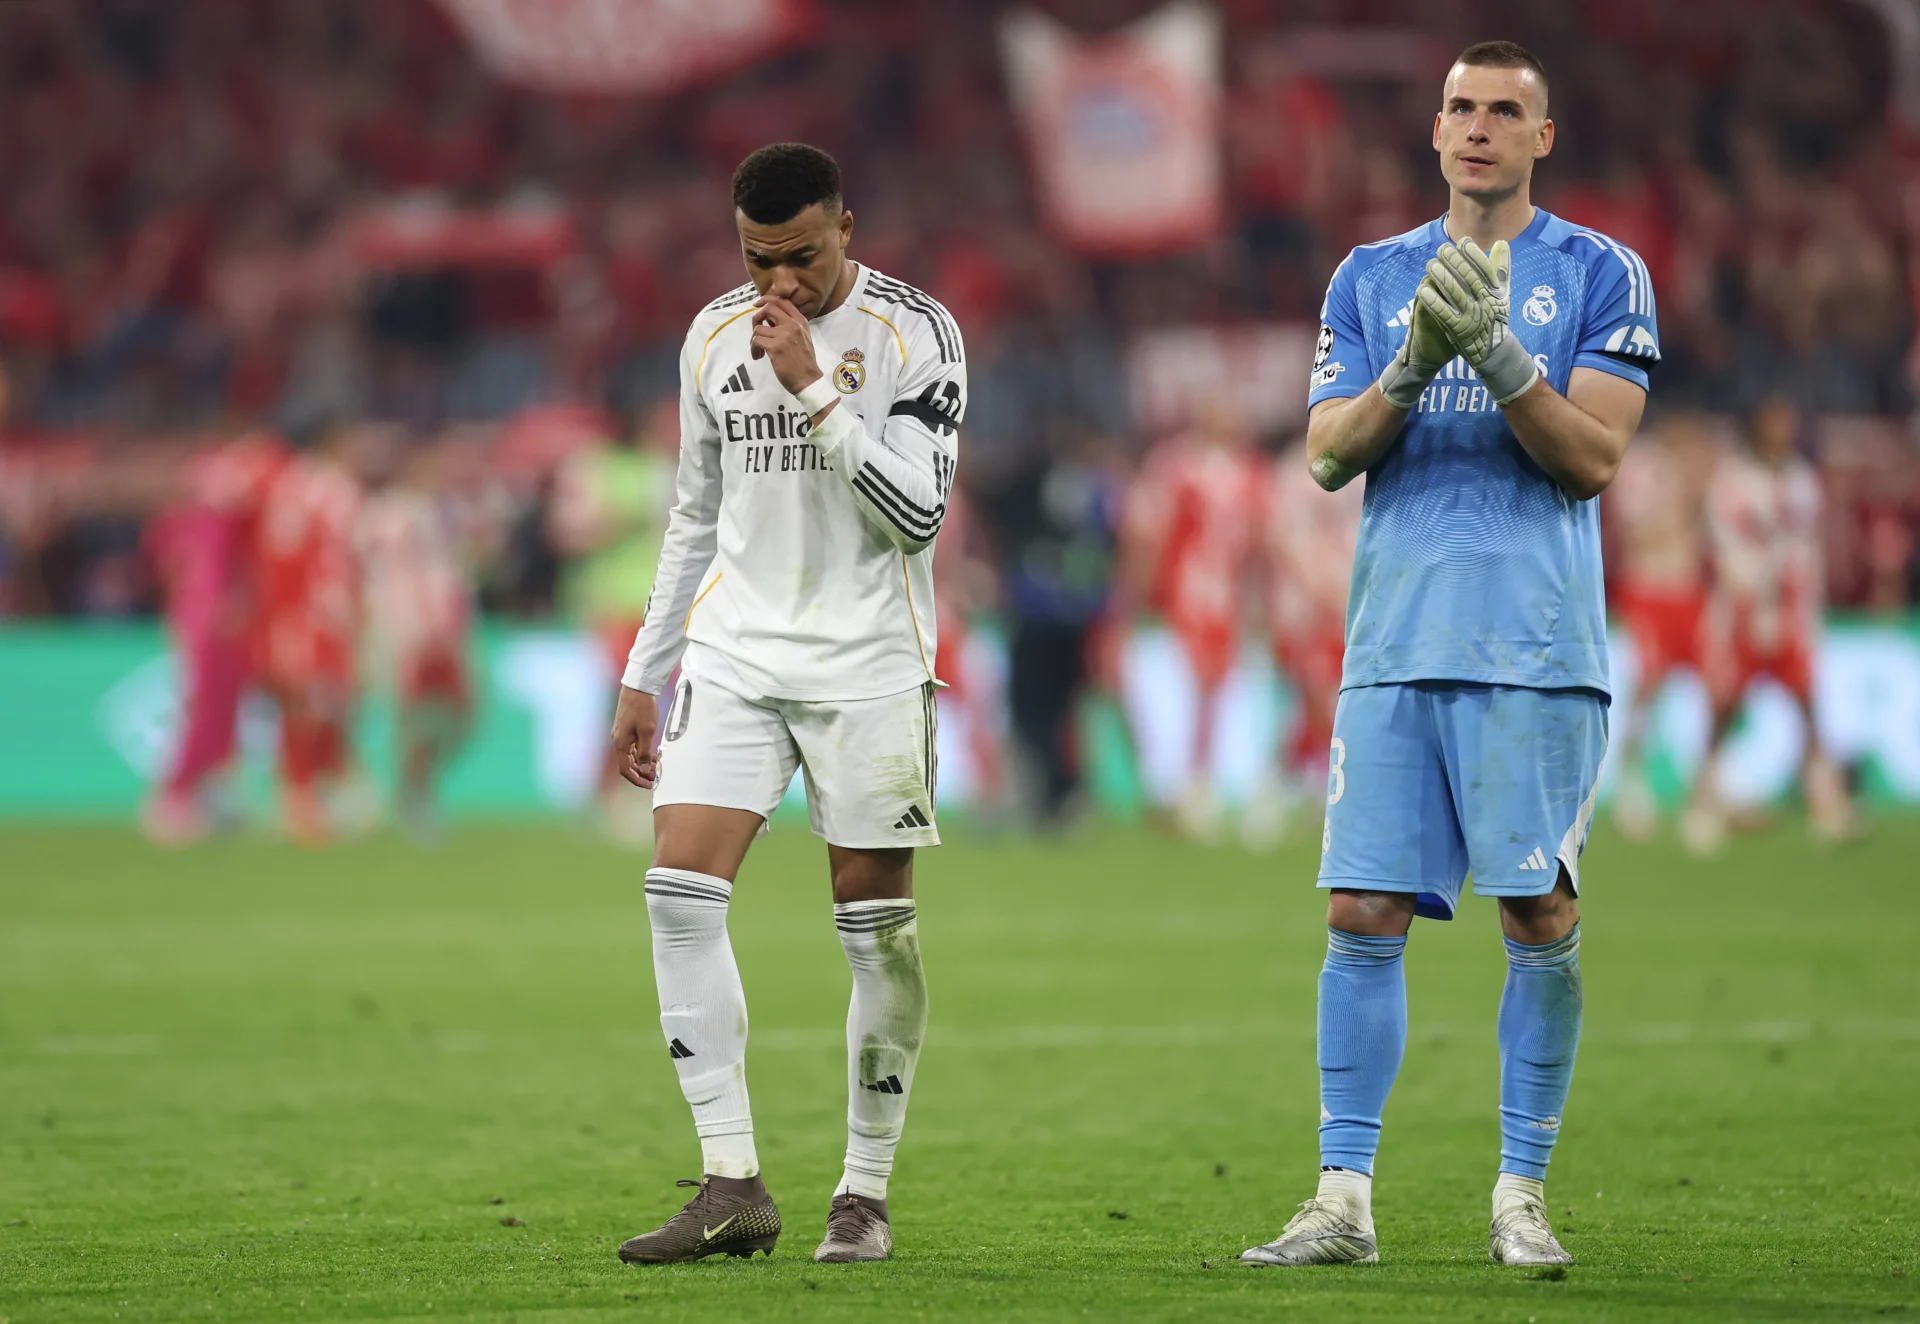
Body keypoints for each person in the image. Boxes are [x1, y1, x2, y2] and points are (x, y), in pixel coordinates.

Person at [1241, 42, 1658, 1269]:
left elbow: (1590, 459)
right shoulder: (1371, 277)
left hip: (1533, 644)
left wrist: (1504, 360)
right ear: (1435, 132)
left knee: (1534, 908)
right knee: (1361, 906)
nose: (1479, 128)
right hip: (1392, 643)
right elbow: (1327, 452)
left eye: (1505, 112)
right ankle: (1342, 1199)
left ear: (1544, 135)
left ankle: (1520, 1196)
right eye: (1461, 108)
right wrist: (1418, 364)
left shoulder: (1600, 270)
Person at [607, 144, 963, 1266]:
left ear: (846, 227)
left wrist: (815, 383)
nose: (782, 284)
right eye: (760, 259)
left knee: (877, 935)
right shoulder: (712, 337)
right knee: (677, 891)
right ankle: (732, 1181)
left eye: (803, 257)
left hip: (868, 662)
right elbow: (692, 514)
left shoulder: (918, 334)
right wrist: (643, 668)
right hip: (738, 651)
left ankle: (862, 1190)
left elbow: (916, 514)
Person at [1682, 394, 1853, 851]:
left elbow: (1809, 549)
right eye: (1776, 422)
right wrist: (1748, 592)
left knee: (1807, 706)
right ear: (1757, 427)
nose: (1784, 431)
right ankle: (1704, 802)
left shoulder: (1802, 480)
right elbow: (1721, 545)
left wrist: (1809, 607)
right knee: (1723, 710)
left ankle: (1827, 803)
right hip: (1743, 609)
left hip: (1791, 611)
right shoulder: (1734, 481)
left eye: (1789, 422)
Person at [1123, 402, 1264, 841]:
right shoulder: (1180, 467)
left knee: (1210, 691)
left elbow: (1257, 544)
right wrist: (1142, 588)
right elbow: (1147, 528)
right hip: (1188, 593)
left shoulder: (1242, 472)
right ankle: (1178, 787)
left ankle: (1194, 785)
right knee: (1184, 691)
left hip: (1216, 595)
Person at [143, 428, 287, 843]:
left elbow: (163, 558)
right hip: (218, 619)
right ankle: (175, 797)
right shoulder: (221, 513)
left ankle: (214, 796)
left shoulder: (190, 517)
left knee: (223, 710)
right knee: (211, 711)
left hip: (207, 616)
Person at [548, 397, 677, 845]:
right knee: (625, 700)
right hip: (612, 601)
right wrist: (619, 520)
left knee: (665, 703)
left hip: (663, 604)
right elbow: (568, 532)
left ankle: (628, 792)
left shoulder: (664, 467)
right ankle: (612, 792)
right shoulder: (594, 467)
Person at [252, 422, 366, 844]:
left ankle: (308, 792)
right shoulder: (332, 489)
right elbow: (339, 556)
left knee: (313, 702)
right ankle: (306, 796)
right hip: (315, 613)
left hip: (289, 612)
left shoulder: (284, 485)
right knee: (315, 702)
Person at [357, 434, 475, 841]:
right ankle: (407, 795)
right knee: (410, 713)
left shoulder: (435, 511)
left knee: (459, 714)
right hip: (407, 628)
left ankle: (412, 786)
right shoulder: (391, 513)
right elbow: (378, 570)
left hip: (440, 628)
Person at [1249, 437, 1362, 849]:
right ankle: (1279, 787)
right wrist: (1321, 594)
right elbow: (1281, 540)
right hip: (1307, 613)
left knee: (1326, 709)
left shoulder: (1368, 459)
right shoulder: (1297, 466)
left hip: (1352, 607)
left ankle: (1291, 788)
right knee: (1319, 702)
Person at [1606, 415, 1715, 839]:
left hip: (1689, 593)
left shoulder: (1693, 468)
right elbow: (1639, 531)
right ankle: (1632, 780)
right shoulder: (1638, 465)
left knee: (1712, 687)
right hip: (1649, 590)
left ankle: (1705, 786)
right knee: (1650, 686)